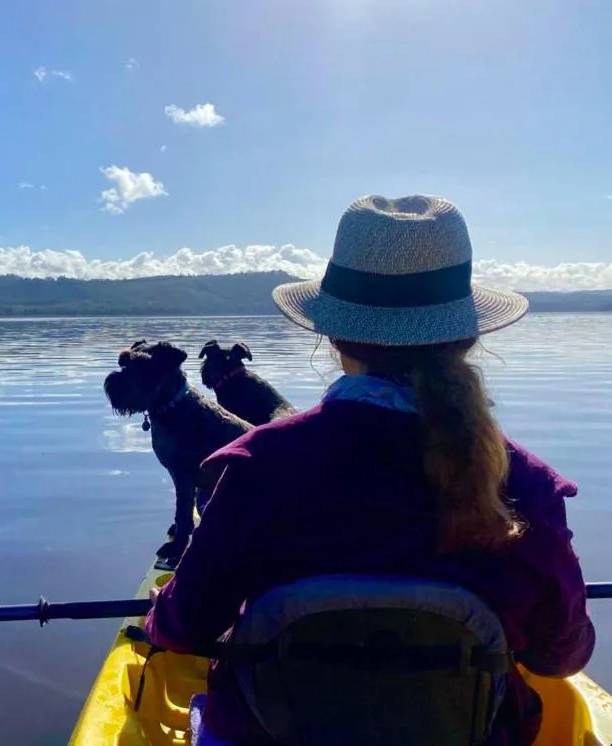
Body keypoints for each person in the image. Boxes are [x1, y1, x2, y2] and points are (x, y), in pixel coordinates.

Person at [144, 195, 595, 746]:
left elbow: (183, 628)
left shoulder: (259, 468)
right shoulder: (525, 486)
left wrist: (157, 614)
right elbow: (560, 656)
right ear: (466, 337)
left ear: (333, 334)